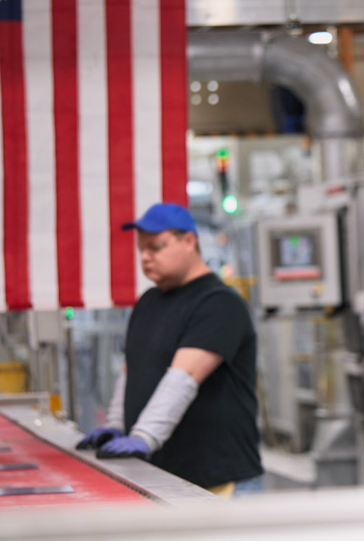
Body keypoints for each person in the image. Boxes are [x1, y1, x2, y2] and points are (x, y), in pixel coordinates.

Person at [77, 202, 263, 498]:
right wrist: (117, 425)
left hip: (219, 484)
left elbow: (185, 376)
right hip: (167, 480)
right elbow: (130, 371)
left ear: (189, 241)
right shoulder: (148, 303)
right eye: (141, 249)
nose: (145, 257)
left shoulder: (219, 304)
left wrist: (144, 437)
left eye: (156, 247)